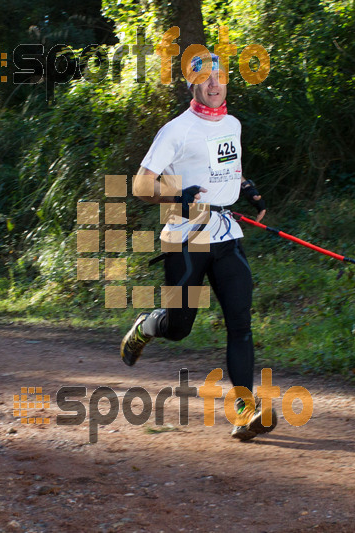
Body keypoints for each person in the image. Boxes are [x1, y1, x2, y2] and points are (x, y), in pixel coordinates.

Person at [119, 54, 275, 441]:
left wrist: (245, 187)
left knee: (240, 323)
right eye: (204, 79)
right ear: (192, 85)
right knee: (179, 329)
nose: (213, 84)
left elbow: (221, 169)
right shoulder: (175, 130)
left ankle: (244, 408)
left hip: (226, 232)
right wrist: (175, 193)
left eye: (218, 77)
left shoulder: (233, 124)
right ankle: (149, 325)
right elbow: (141, 186)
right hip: (186, 237)